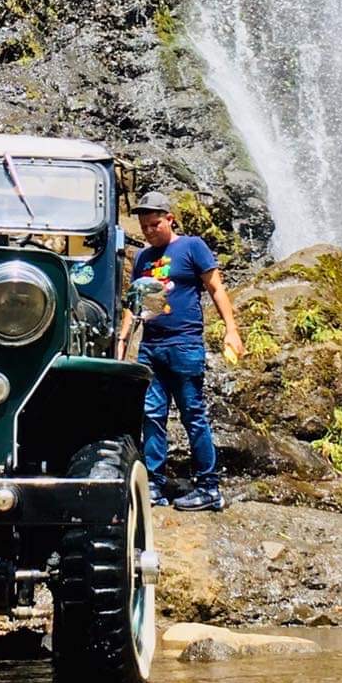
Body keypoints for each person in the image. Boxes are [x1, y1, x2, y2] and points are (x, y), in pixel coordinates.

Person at [117, 190, 244, 512]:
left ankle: (209, 487)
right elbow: (136, 304)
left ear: (170, 219)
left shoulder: (192, 247)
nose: (149, 231)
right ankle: (155, 486)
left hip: (184, 344)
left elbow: (216, 287)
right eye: (144, 226)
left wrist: (232, 330)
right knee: (152, 416)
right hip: (151, 347)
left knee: (194, 416)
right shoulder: (144, 259)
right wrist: (121, 343)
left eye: (155, 224)